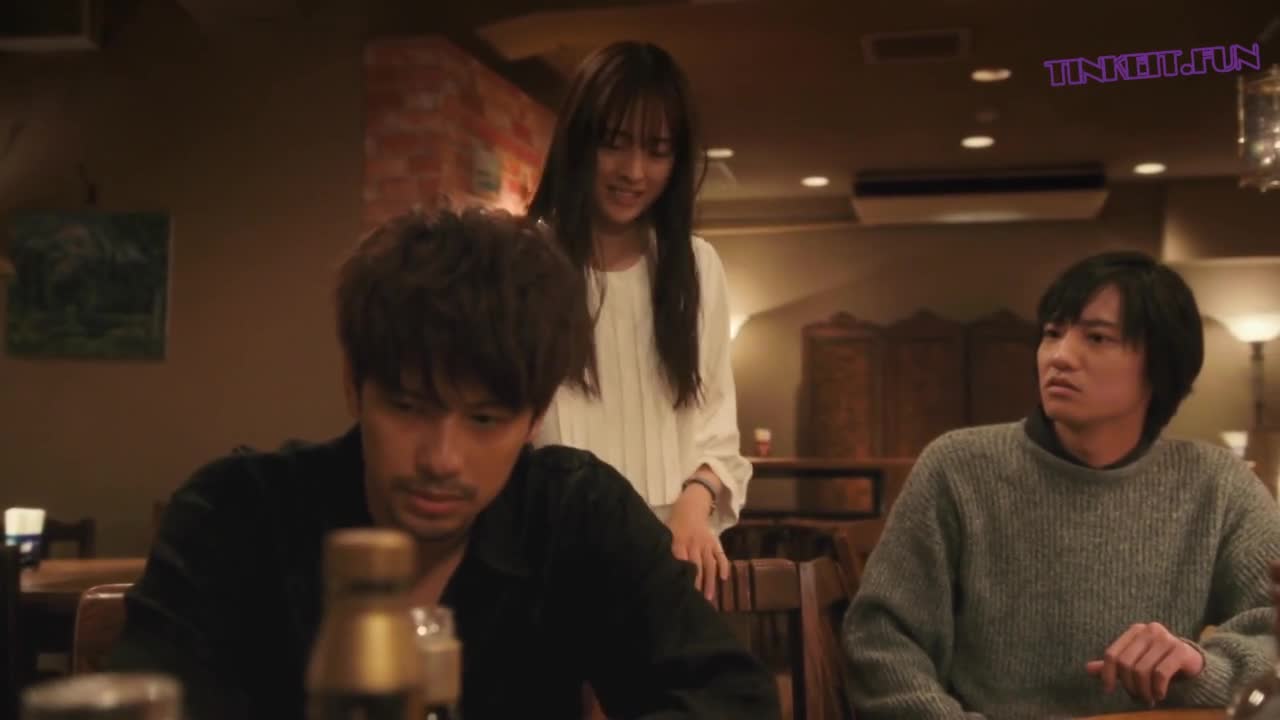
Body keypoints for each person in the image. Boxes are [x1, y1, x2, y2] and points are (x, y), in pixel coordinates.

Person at [107, 209, 781, 720]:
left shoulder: (573, 512)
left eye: (485, 420)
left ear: (535, 416)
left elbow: (732, 699)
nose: (441, 459)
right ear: (354, 387)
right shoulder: (237, 516)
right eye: (408, 407)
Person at [843, 251, 1280, 718]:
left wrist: (1199, 666)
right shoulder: (958, 467)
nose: (1060, 356)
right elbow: (881, 640)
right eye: (1053, 334)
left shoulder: (1217, 485)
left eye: (1097, 337)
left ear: (1160, 365)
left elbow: (1271, 634)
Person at [527, 41, 751, 601]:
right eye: (614, 143)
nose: (633, 172)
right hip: (550, 559)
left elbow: (717, 427)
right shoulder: (526, 263)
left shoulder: (696, 266)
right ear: (580, 141)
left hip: (669, 557)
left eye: (657, 151)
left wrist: (694, 507)